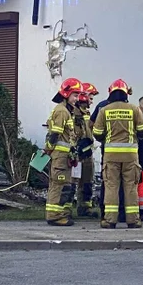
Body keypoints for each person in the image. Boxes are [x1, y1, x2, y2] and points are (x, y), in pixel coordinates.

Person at [92, 79, 143, 228]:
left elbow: (96, 133)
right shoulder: (134, 109)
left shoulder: (104, 110)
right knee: (130, 187)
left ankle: (110, 220)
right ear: (125, 93)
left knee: (111, 186)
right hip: (130, 156)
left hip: (110, 156)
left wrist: (107, 138)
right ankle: (133, 220)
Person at [44, 77, 82, 226]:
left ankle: (59, 213)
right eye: (75, 95)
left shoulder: (66, 111)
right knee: (59, 185)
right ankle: (54, 216)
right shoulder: (62, 111)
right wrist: (48, 149)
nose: (77, 99)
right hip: (60, 156)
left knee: (63, 185)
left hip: (63, 156)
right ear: (67, 94)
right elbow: (55, 134)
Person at [73, 84, 98, 218]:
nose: (92, 101)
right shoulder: (74, 114)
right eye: (91, 98)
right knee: (73, 182)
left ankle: (85, 208)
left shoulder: (87, 114)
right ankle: (66, 210)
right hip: (76, 155)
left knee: (87, 181)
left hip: (88, 154)